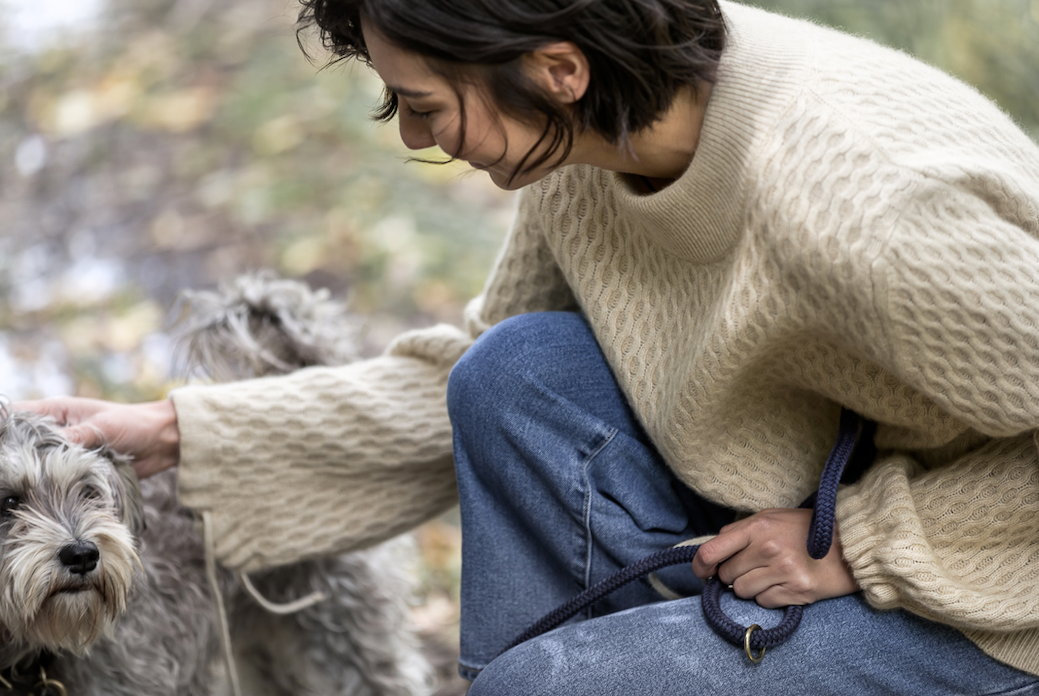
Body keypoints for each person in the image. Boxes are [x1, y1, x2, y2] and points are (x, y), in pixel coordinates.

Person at [18, 0, 1039, 693]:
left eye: (423, 103)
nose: (414, 138)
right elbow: (456, 378)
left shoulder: (867, 205)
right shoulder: (601, 137)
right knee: (509, 375)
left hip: (997, 607)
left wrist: (861, 547)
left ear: (555, 70)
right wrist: (173, 431)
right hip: (823, 496)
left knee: (535, 687)